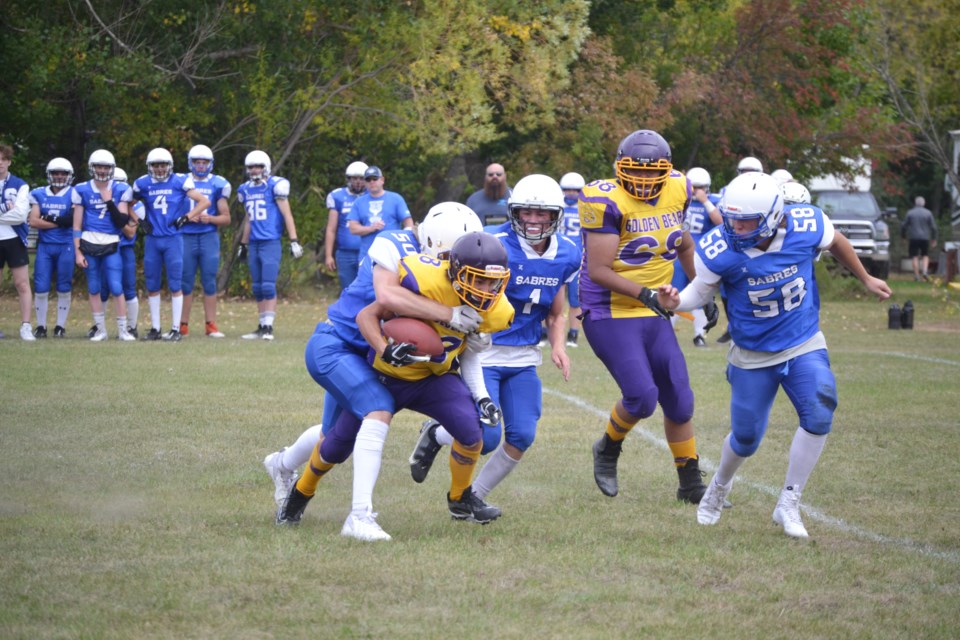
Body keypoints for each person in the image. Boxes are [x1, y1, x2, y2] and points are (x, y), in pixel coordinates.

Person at [657, 172, 891, 538]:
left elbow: (836, 240)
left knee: (820, 407)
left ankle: (789, 502)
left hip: (802, 341)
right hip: (752, 352)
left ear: (772, 215)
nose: (735, 226)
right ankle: (719, 485)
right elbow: (700, 291)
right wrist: (676, 302)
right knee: (746, 438)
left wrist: (864, 277)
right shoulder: (721, 248)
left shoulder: (805, 223)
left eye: (746, 220)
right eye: (732, 217)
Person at [266, 203, 485, 540]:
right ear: (432, 241)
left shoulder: (449, 258)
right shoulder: (392, 242)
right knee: (369, 414)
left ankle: (281, 464)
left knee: (334, 438)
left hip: (377, 354)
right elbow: (387, 295)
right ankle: (358, 516)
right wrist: (450, 314)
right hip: (342, 343)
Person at [408, 175, 581, 508]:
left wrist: (558, 346)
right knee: (486, 438)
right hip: (483, 350)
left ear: (555, 216)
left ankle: (474, 497)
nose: (532, 220)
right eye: (526, 212)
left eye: (541, 214)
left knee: (522, 436)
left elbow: (556, 312)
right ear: (513, 211)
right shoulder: (491, 242)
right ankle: (437, 433)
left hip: (525, 355)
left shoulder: (568, 253)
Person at [578, 129, 709, 504]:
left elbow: (682, 241)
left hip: (653, 309)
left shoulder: (678, 189)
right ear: (620, 168)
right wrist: (646, 293)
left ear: (667, 171)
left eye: (654, 173)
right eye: (637, 170)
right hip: (610, 309)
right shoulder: (605, 200)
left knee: (680, 400)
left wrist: (701, 288)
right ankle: (607, 448)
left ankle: (690, 483)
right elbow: (599, 270)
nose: (646, 179)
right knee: (642, 396)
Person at [133, 147, 210, 342]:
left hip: (173, 239)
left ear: (170, 166)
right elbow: (127, 203)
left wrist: (187, 217)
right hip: (153, 239)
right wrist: (138, 220)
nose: (159, 169)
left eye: (163, 165)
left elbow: (204, 201)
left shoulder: (179, 181)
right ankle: (156, 328)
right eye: (156, 165)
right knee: (152, 284)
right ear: (150, 166)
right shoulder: (142, 183)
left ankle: (175, 329)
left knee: (176, 284)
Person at [236, 150, 302, 340]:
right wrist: (243, 243)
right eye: (251, 167)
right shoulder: (245, 189)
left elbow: (287, 215)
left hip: (270, 242)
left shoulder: (275, 186)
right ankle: (261, 325)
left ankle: (269, 327)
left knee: (267, 285)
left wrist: (294, 240)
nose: (255, 170)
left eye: (258, 166)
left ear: (266, 167)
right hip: (255, 242)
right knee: (257, 287)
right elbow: (248, 219)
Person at [72, 149, 137, 341]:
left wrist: (109, 201)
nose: (102, 170)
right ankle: (101, 330)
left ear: (112, 168)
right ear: (92, 168)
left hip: (111, 242)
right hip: (89, 242)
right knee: (93, 287)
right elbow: (76, 225)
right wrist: (77, 252)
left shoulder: (121, 189)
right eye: (99, 166)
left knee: (117, 287)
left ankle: (123, 330)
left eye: (106, 167)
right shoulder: (82, 189)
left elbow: (122, 220)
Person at [178, 145, 231, 338]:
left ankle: (211, 325)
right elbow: (173, 210)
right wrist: (186, 217)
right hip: (186, 236)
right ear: (190, 163)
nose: (200, 166)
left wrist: (211, 219)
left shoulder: (217, 184)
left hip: (208, 236)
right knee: (185, 281)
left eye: (204, 162)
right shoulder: (181, 181)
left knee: (209, 280)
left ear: (210, 163)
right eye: (197, 162)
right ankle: (182, 325)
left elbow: (226, 217)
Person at [717, 155, 766, 345]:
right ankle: (734, 328)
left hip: (757, 247)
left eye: (751, 172)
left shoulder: (766, 191)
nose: (747, 176)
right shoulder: (727, 191)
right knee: (727, 291)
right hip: (732, 244)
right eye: (744, 172)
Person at [670, 166, 720, 347]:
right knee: (674, 293)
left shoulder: (713, 201)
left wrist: (705, 202)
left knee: (701, 295)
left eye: (701, 187)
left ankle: (700, 335)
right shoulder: (679, 200)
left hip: (702, 258)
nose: (697, 191)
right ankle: (667, 334)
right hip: (678, 256)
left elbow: (722, 222)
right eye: (694, 187)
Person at [28, 158, 76, 339]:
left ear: (69, 175)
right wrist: (59, 223)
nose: (59, 176)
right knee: (40, 286)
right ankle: (41, 326)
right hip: (46, 246)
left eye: (63, 173)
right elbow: (33, 221)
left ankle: (60, 326)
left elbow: (70, 221)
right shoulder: (39, 193)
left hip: (66, 246)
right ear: (49, 174)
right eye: (56, 172)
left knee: (64, 285)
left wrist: (47, 219)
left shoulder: (74, 193)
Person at [0, 142, 35, 341]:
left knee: (22, 284)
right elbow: (13, 212)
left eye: (4, 159)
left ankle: (26, 326)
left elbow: (21, 216)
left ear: (9, 162)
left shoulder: (20, 185)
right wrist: (6, 208)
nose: (0, 163)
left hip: (14, 239)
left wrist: (9, 211)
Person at [346, 165, 412, 260]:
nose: (372, 182)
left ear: (382, 180)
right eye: (368, 180)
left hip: (392, 254)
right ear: (365, 183)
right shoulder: (359, 202)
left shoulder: (396, 199)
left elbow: (408, 222)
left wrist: (406, 243)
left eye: (375, 178)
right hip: (367, 255)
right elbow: (353, 228)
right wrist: (370, 228)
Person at [324, 161, 367, 291]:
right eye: (355, 178)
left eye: (361, 178)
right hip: (345, 252)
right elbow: (331, 229)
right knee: (348, 289)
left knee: (367, 288)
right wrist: (328, 255)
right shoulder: (338, 196)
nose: (358, 182)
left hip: (367, 251)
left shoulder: (372, 196)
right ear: (348, 179)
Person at [559, 171, 586, 347]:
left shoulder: (586, 208)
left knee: (575, 300)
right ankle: (546, 333)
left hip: (578, 258)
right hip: (559, 257)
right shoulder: (556, 206)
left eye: (575, 190)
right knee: (554, 297)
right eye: (567, 189)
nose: (571, 193)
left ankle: (573, 334)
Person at [901, 196, 938, 281]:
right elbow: (933, 227)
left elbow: (904, 226)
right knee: (925, 255)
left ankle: (917, 275)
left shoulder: (910, 213)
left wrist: (903, 236)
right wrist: (934, 238)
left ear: (915, 203)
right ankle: (924, 271)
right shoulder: (928, 213)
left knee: (914, 256)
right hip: (925, 237)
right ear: (924, 203)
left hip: (913, 237)